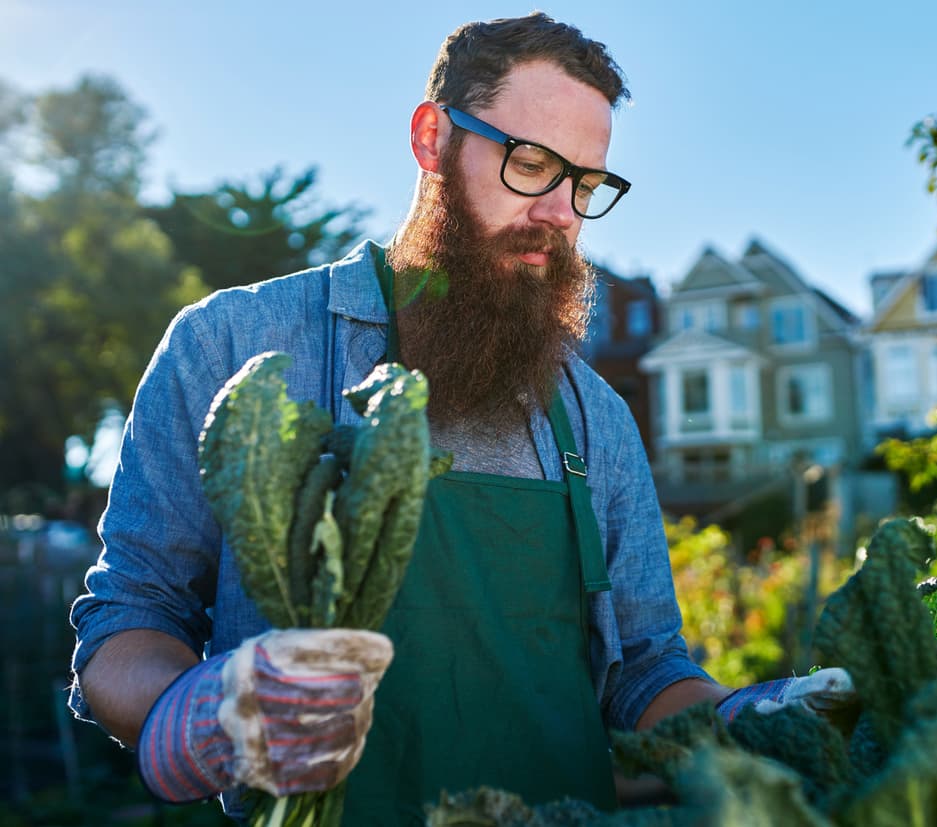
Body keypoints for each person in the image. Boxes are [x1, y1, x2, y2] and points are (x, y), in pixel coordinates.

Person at [69, 12, 854, 823]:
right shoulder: (233, 346)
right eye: (531, 164)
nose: (560, 211)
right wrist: (206, 714)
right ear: (430, 137)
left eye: (585, 183)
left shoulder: (595, 418)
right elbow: (128, 624)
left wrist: (745, 721)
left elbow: (645, 668)